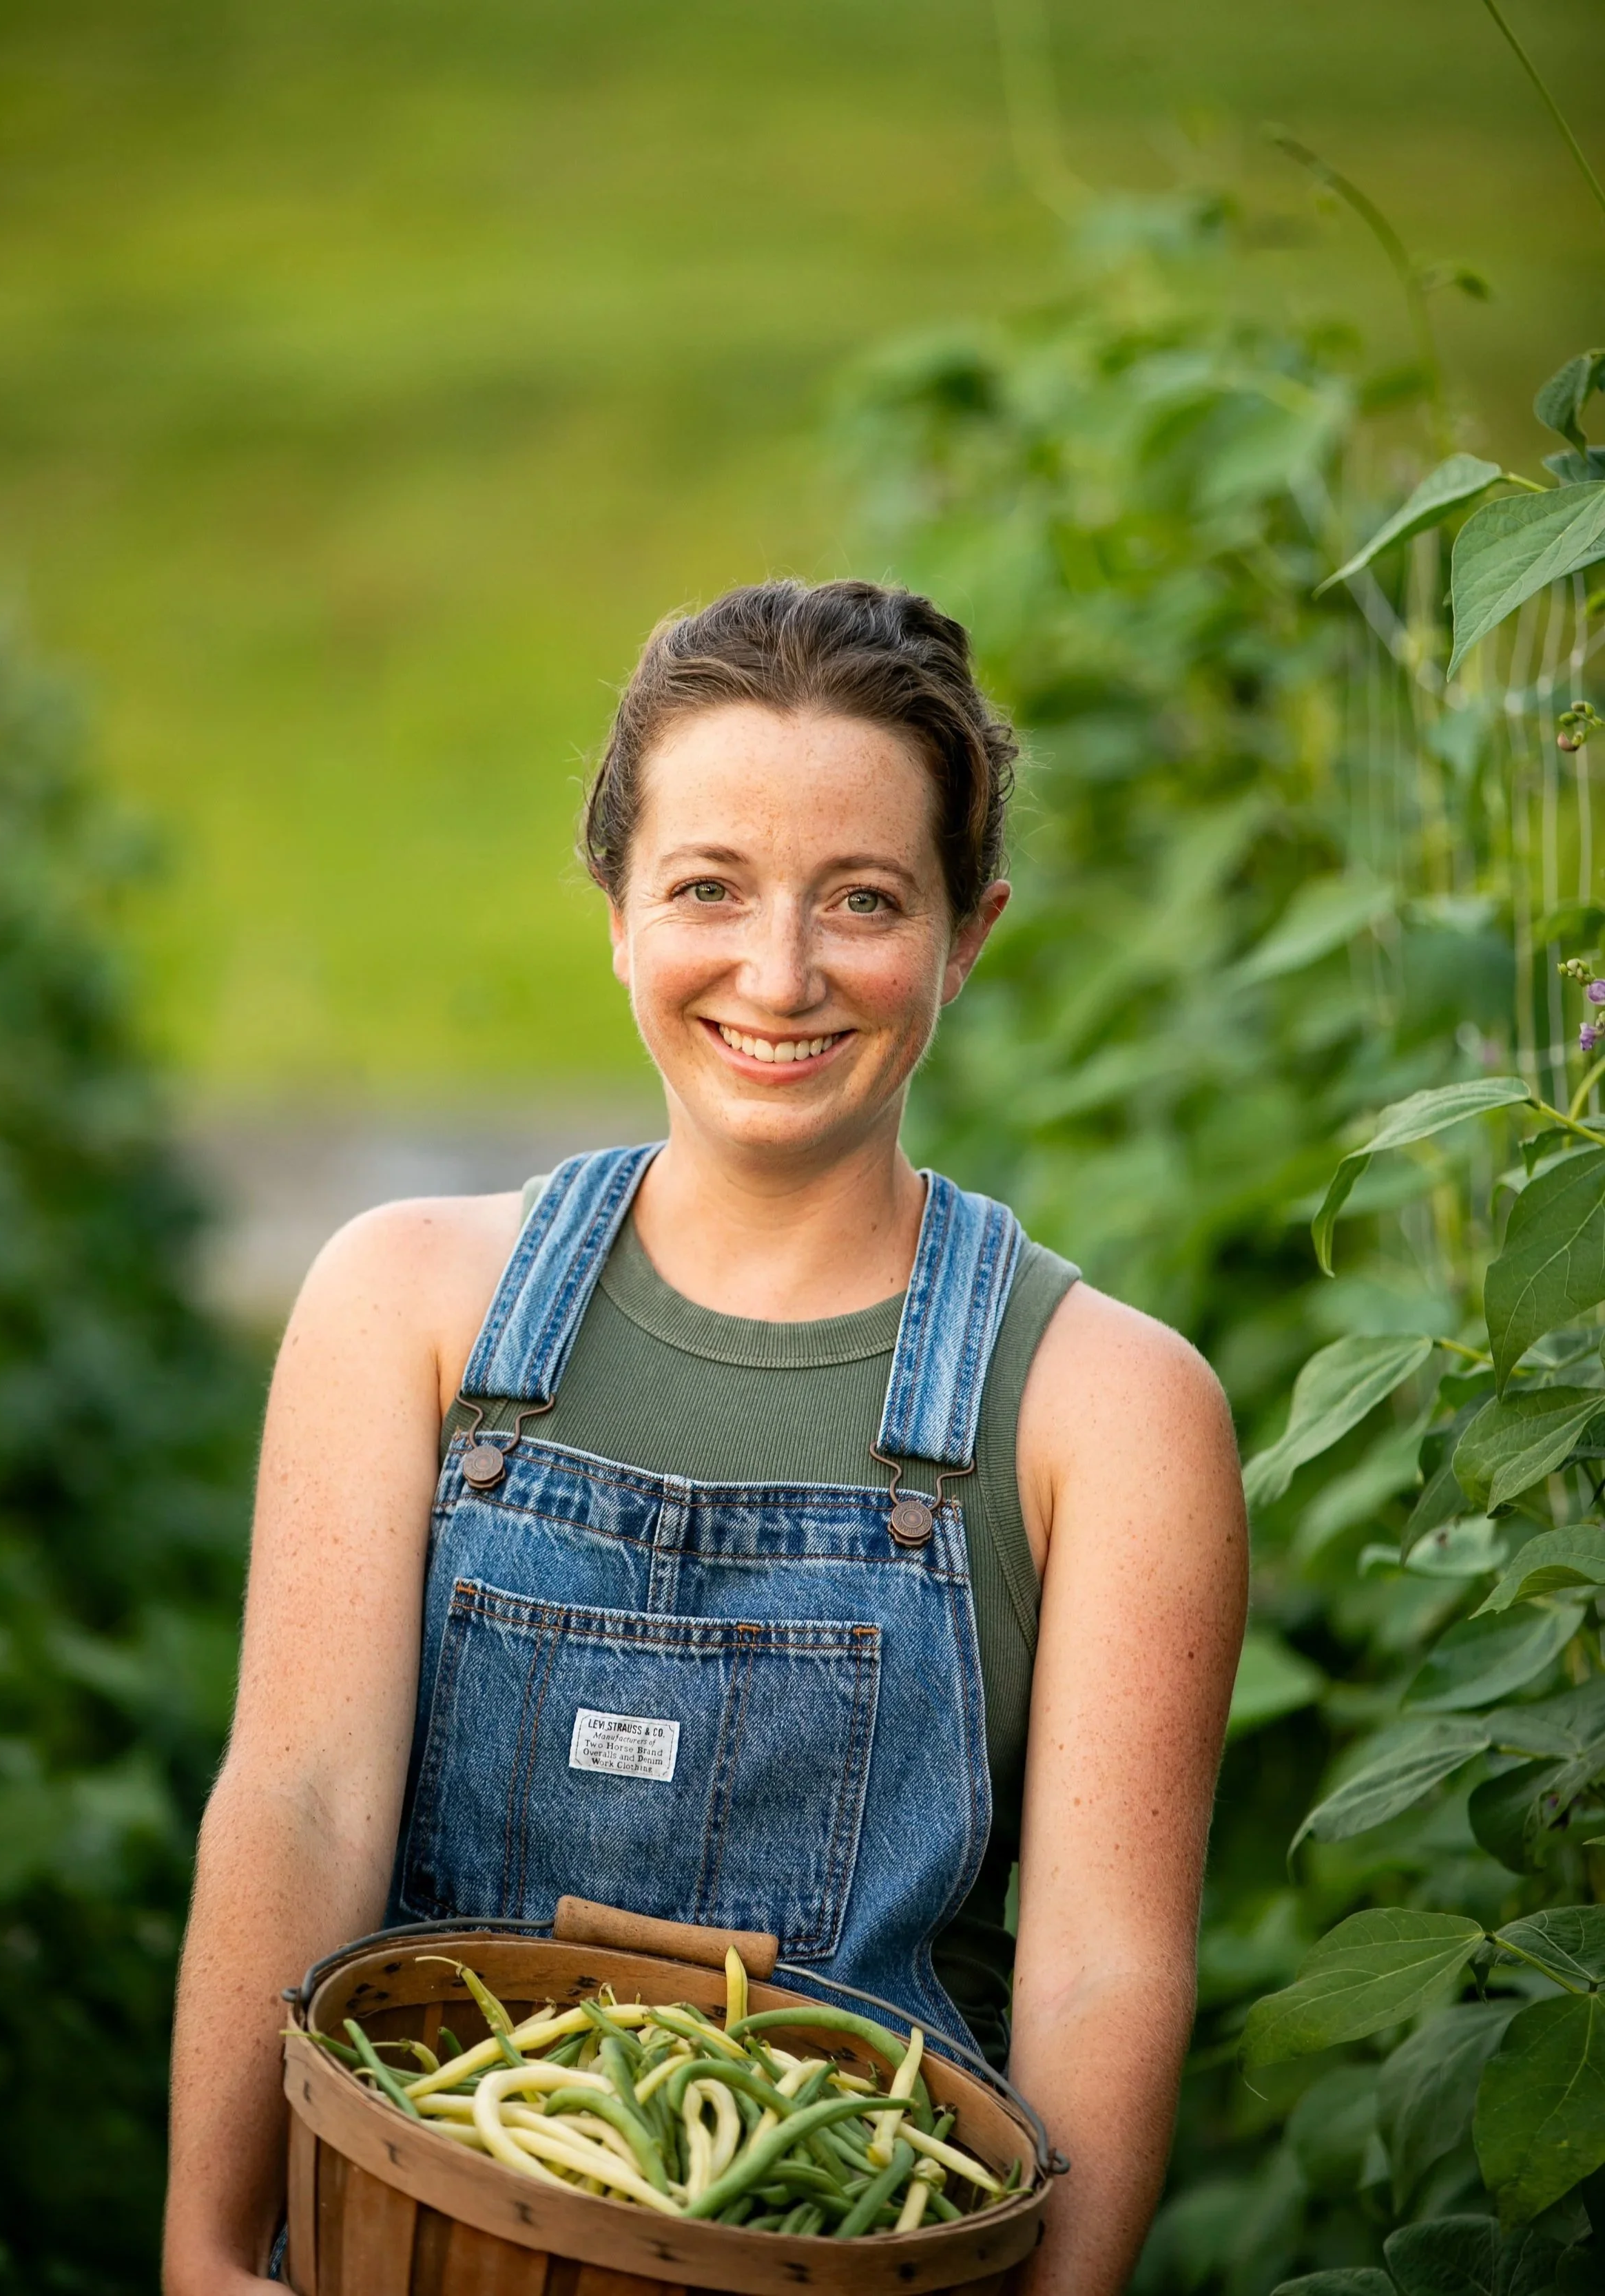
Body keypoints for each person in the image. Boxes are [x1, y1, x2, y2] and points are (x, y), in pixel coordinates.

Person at [163, 578, 1247, 2296]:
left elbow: (1102, 1973)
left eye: (866, 899)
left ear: (970, 935)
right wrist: (210, 2250)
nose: (780, 971)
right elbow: (297, 1804)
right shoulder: (409, 1306)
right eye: (706, 889)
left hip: (851, 2258)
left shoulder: (1102, 1410)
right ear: (612, 909)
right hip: (413, 2244)